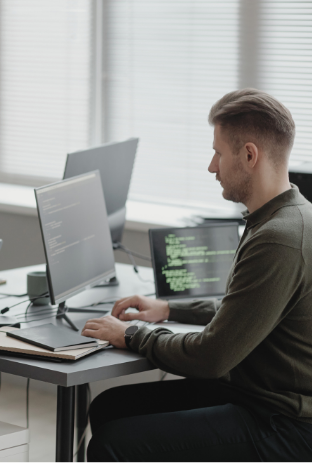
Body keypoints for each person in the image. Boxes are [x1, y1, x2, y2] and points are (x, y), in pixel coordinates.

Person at [81, 89, 312, 462]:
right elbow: (247, 309)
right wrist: (169, 310)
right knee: (111, 407)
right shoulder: (287, 215)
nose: (212, 166)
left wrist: (133, 334)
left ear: (250, 155)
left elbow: (212, 358)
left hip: (286, 424)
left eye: (219, 153)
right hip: (258, 397)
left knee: (114, 445)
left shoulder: (279, 239)